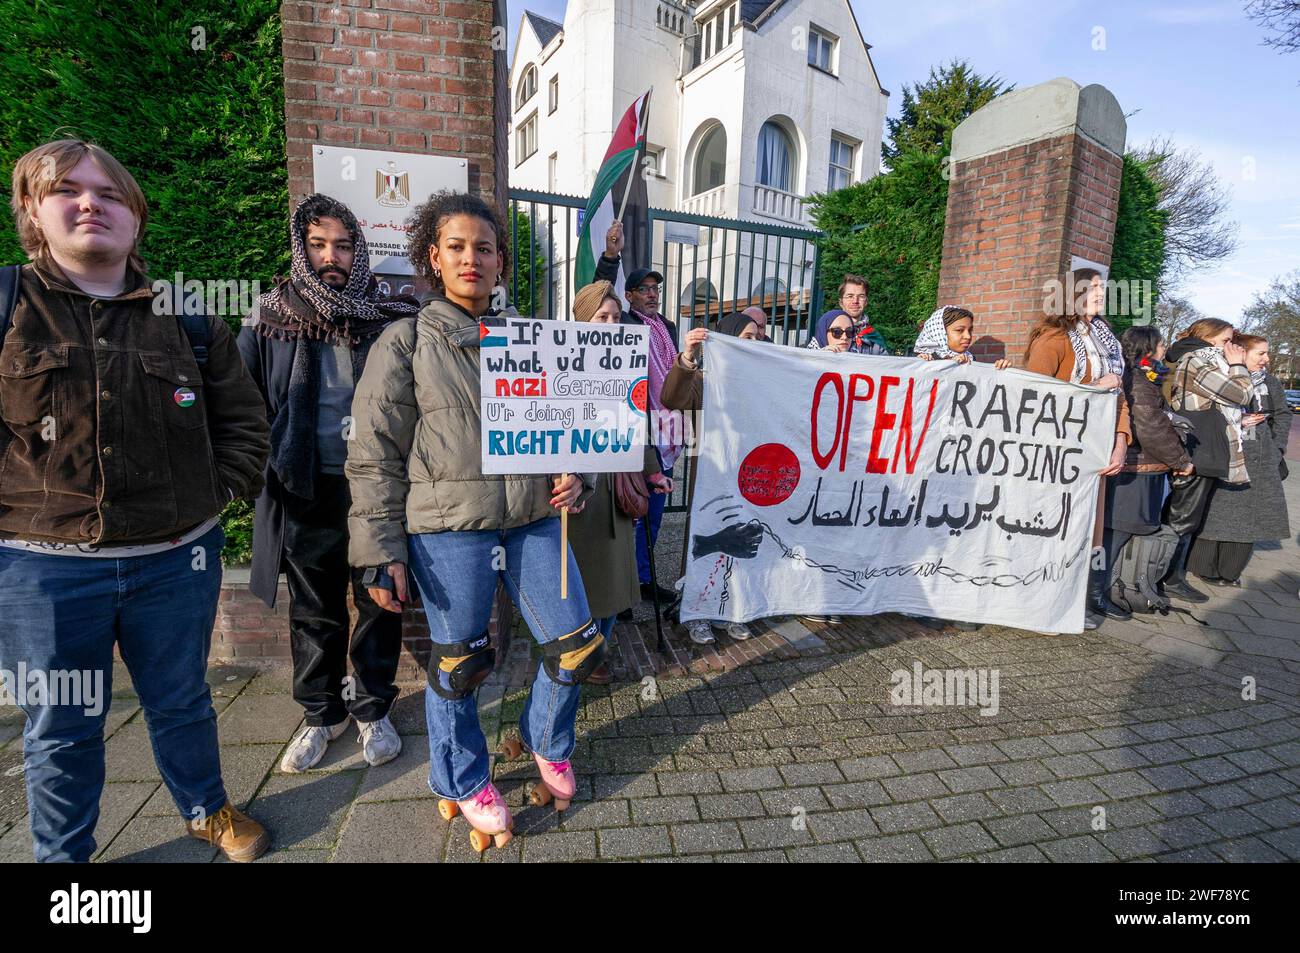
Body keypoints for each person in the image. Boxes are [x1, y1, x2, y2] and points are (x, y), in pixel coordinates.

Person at [0, 139, 271, 862]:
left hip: (174, 561)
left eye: (110, 193)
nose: (91, 202)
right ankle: (65, 861)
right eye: (68, 190)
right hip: (42, 568)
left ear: (136, 216)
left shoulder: (185, 316)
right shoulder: (6, 305)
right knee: (61, 724)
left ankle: (206, 808)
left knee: (182, 699)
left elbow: (244, 420)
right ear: (33, 209)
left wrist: (217, 495)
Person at [347, 191, 599, 850]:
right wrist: (379, 550)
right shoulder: (404, 342)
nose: (471, 258)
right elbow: (372, 455)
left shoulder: (530, 340)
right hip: (449, 526)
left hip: (535, 516)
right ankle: (457, 776)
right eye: (456, 246)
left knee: (577, 643)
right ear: (434, 257)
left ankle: (546, 740)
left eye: (484, 248)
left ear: (500, 261)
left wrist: (578, 473)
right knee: (459, 664)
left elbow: (571, 429)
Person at [238, 194, 419, 773]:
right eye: (318, 245)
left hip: (376, 491)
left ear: (358, 250)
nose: (330, 257)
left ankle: (371, 709)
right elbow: (241, 402)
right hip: (305, 484)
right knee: (314, 611)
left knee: (379, 602)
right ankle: (321, 715)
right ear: (301, 248)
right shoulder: (270, 317)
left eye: (342, 245)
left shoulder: (389, 316)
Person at [566, 280, 673, 674]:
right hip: (583, 494)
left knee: (616, 582)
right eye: (601, 317)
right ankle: (584, 655)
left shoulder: (627, 366)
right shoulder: (562, 362)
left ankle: (601, 646)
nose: (611, 324)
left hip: (621, 487)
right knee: (586, 583)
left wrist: (652, 471)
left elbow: (636, 426)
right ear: (581, 321)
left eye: (615, 317)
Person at [1023, 267, 1131, 628]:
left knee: (1086, 532)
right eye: (1093, 289)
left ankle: (1069, 602)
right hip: (1059, 453)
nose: (1101, 295)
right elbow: (1032, 397)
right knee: (1055, 528)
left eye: (1103, 289)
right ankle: (1037, 603)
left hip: (1097, 453)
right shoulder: (1053, 338)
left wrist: (1120, 443)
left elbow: (1120, 398)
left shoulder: (1106, 339)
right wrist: (1093, 385)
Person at [660, 312, 759, 644]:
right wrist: (688, 357)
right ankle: (697, 612)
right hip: (711, 475)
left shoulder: (763, 381)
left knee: (743, 538)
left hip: (749, 475)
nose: (754, 342)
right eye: (747, 337)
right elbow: (671, 399)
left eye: (758, 337)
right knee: (704, 539)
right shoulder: (704, 380)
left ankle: (732, 609)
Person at [595, 221, 680, 607]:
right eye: (644, 289)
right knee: (626, 510)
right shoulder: (624, 322)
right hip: (633, 428)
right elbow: (598, 294)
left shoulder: (668, 327)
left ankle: (644, 580)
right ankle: (620, 585)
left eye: (656, 289)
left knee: (655, 512)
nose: (652, 295)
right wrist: (611, 255)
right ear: (629, 296)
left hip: (670, 430)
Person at [1097, 327, 1192, 618]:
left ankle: (1105, 590)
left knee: (1120, 530)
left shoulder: (1144, 376)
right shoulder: (1138, 380)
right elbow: (1150, 425)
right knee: (1119, 530)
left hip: (1142, 465)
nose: (1165, 348)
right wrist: (1180, 459)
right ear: (1147, 348)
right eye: (1161, 343)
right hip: (1136, 467)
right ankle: (1098, 593)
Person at [1159, 318, 1254, 604]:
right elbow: (1241, 393)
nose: (1232, 346)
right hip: (1198, 448)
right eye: (1226, 339)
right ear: (1209, 338)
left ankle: (1169, 576)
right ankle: (1167, 578)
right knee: (1182, 517)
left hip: (1203, 446)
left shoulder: (1203, 359)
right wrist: (1238, 366)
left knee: (1187, 516)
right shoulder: (1197, 360)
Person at [1187, 333, 1292, 586]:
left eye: (1267, 353)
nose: (1267, 359)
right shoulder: (1220, 375)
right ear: (1241, 353)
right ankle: (1203, 567)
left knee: (1251, 517)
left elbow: (1283, 414)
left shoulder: (1269, 382)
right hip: (1225, 453)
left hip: (1261, 460)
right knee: (1216, 512)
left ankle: (1230, 571)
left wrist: (1276, 448)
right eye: (1261, 353)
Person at [913, 304, 1012, 369]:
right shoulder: (919, 360)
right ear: (939, 332)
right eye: (960, 330)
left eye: (970, 330)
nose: (968, 336)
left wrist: (1001, 372)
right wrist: (921, 365)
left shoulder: (971, 359)